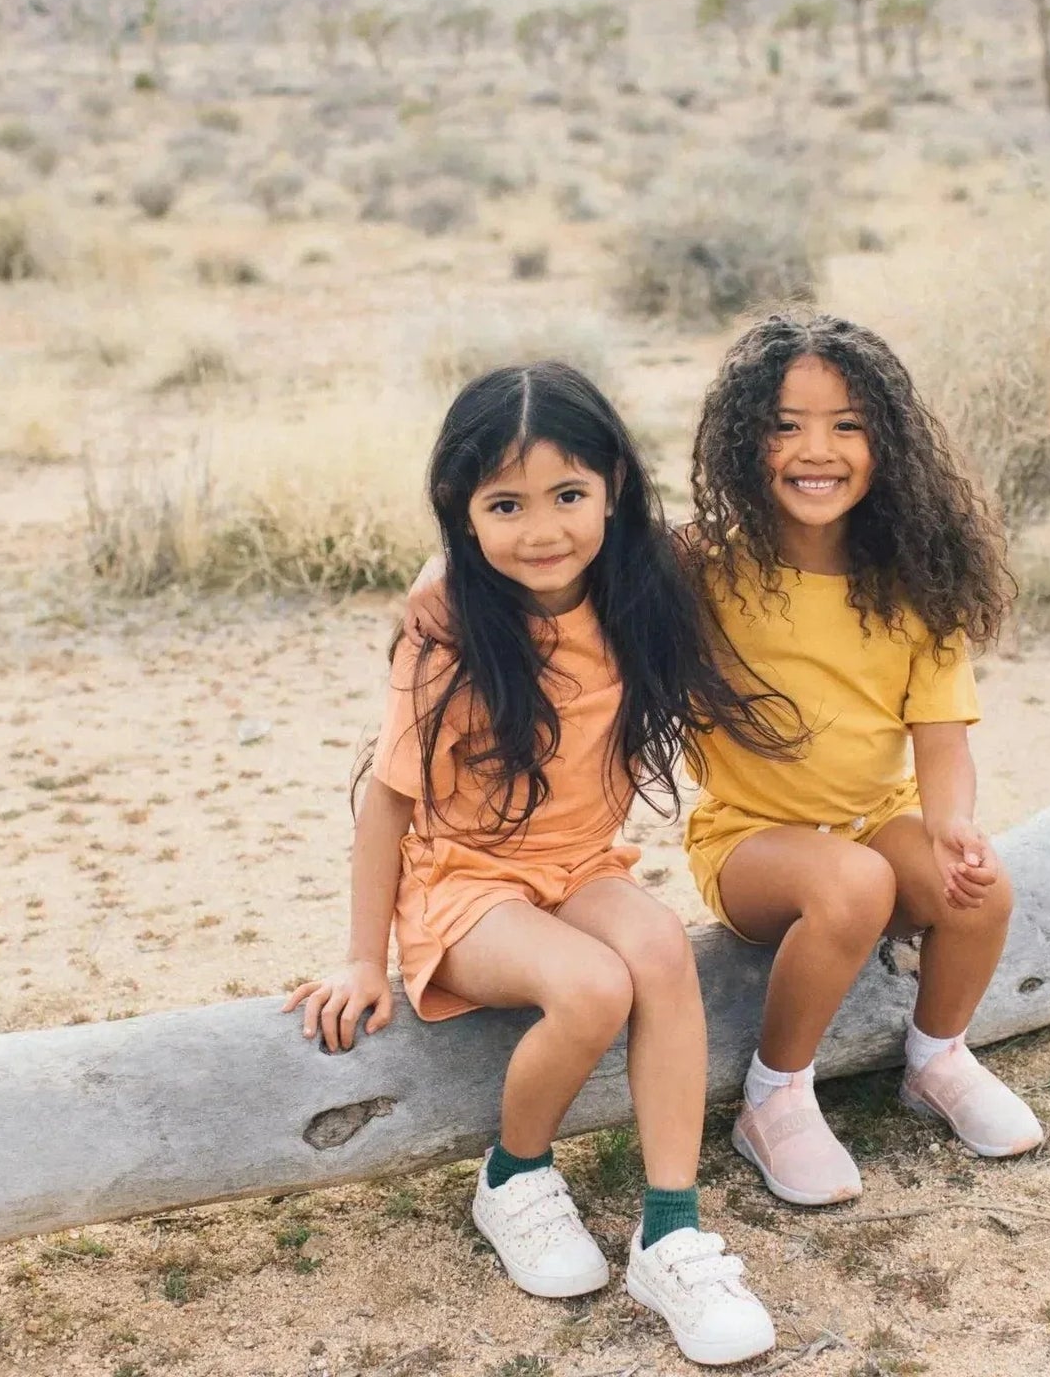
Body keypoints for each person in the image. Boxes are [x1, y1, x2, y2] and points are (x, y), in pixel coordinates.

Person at [285, 362, 791, 1365]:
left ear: (611, 486)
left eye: (569, 495)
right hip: (463, 881)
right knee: (594, 984)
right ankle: (513, 1176)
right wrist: (357, 957)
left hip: (579, 862)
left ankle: (671, 1228)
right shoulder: (447, 637)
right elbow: (389, 797)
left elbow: (745, 523)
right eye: (504, 504)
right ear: (459, 513)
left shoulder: (643, 583)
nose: (543, 528)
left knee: (658, 950)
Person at [680, 311, 1043, 1206]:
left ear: (888, 443)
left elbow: (942, 742)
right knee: (852, 885)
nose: (819, 449)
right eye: (786, 425)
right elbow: (569, 562)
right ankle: (774, 1097)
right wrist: (437, 574)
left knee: (980, 886)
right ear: (743, 441)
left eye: (848, 425)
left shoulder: (916, 583)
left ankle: (937, 1058)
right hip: (752, 843)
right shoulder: (698, 567)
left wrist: (953, 826)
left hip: (875, 825)